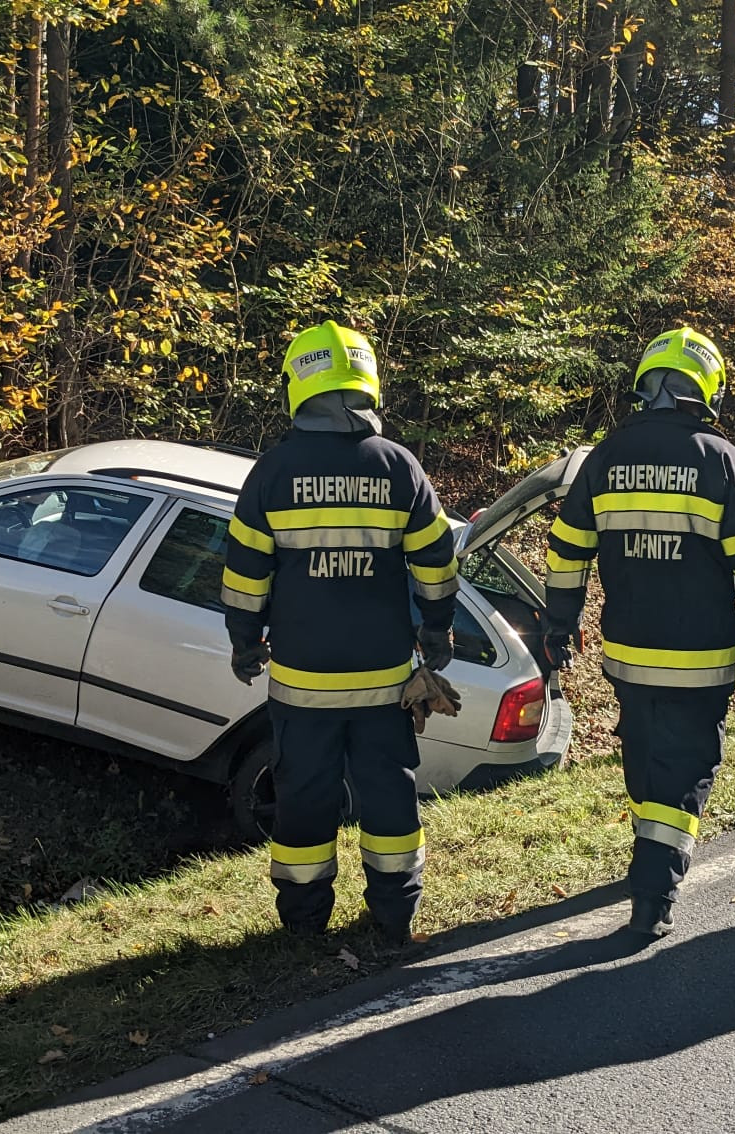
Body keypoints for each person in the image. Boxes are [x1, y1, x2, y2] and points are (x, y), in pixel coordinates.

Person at [221, 321, 460, 942]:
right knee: (389, 795)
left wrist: (245, 642)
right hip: (385, 682)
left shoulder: (273, 474)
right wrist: (436, 631)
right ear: (366, 382)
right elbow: (436, 563)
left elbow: (245, 573)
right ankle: (394, 915)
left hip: (303, 685)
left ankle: (303, 923)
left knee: (303, 798)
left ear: (299, 385)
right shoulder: (399, 467)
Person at [542, 327, 735, 938]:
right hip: (700, 657)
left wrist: (559, 623)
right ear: (707, 390)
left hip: (626, 653)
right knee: (686, 768)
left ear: (646, 386)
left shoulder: (606, 456)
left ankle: (648, 861)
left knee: (647, 760)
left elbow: (567, 551)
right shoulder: (722, 460)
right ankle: (654, 893)